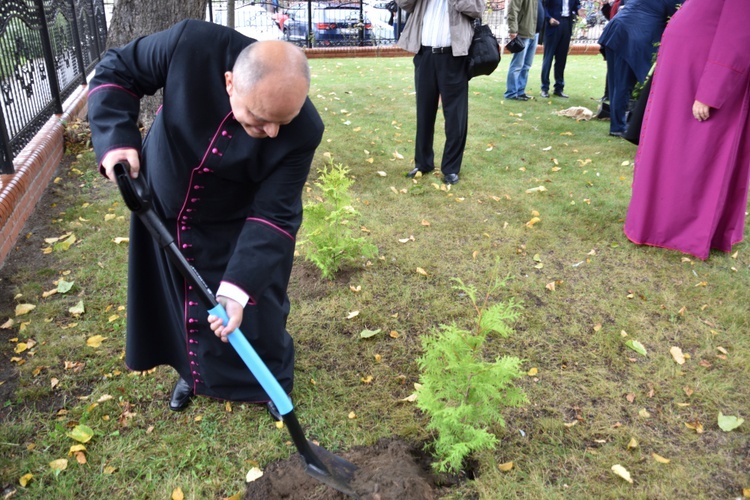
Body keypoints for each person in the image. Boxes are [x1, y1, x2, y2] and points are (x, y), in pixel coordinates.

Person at [87, 20, 324, 414]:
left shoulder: (303, 131)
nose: (270, 131)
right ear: (230, 83)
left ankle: (268, 384)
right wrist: (116, 141)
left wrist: (236, 289)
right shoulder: (188, 44)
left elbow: (275, 215)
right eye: (260, 116)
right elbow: (116, 70)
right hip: (165, 201)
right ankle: (190, 373)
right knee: (178, 298)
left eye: (282, 121)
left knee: (256, 304)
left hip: (237, 214)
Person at [624, 0, 750, 260]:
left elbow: (738, 34)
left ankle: (681, 230)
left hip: (699, 81)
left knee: (692, 156)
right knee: (673, 154)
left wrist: (711, 91)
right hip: (686, 76)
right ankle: (660, 222)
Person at [396, 0, 485, 185]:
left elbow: (477, 9)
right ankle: (423, 163)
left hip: (454, 57)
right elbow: (404, 4)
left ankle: (451, 169)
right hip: (425, 55)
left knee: (455, 116)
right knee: (424, 113)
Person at [597, 0, 678, 137]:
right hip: (632, 37)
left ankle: (617, 124)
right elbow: (677, 17)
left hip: (615, 30)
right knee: (623, 85)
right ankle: (618, 127)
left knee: (615, 83)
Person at [539, 0, 585, 98]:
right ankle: (544, 88)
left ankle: (559, 88)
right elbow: (543, 6)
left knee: (561, 59)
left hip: (566, 25)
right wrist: (549, 18)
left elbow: (576, 4)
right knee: (548, 58)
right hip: (553, 25)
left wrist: (578, 9)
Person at [504, 0, 541, 101]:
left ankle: (520, 91)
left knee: (527, 65)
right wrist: (513, 29)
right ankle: (511, 93)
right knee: (517, 65)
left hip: (534, 33)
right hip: (523, 32)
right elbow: (513, 9)